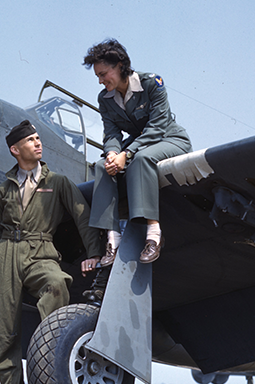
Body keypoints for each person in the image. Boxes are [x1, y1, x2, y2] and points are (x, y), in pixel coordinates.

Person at [0, 120, 103, 384]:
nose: (38, 143)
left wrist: (94, 253)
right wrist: (6, 255)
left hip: (42, 249)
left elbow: (82, 217)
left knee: (56, 283)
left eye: (38, 138)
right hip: (6, 252)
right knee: (3, 331)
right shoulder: (2, 191)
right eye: (30, 140)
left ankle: (51, 363)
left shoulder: (58, 183)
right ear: (15, 150)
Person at [82, 39, 191, 264]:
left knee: (142, 159)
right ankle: (112, 239)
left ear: (120, 66)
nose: (101, 81)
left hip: (168, 138)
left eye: (103, 74)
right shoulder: (105, 99)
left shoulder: (152, 83)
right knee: (102, 166)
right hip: (136, 144)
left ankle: (153, 235)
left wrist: (127, 154)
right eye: (98, 77)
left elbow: (157, 126)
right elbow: (111, 133)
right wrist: (112, 153)